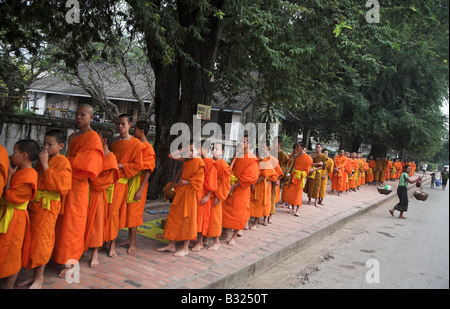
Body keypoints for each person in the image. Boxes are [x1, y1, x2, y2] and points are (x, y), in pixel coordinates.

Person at [52, 104, 104, 279]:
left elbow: (89, 164)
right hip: (66, 183)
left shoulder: (93, 138)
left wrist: (64, 161)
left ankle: (72, 262)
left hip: (79, 186)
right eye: (77, 114)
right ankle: (61, 256)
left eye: (83, 114)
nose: (78, 117)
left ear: (91, 117)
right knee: (62, 223)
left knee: (74, 225)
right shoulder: (73, 136)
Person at [17, 130, 72, 289]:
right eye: (44, 143)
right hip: (35, 205)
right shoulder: (43, 160)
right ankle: (33, 275)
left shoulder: (63, 162)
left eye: (50, 144)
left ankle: (39, 278)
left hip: (48, 208)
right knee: (32, 240)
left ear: (61, 146)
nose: (45, 147)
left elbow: (62, 187)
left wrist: (46, 165)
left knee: (43, 242)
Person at [0, 139, 39, 289]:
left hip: (16, 218)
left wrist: (8, 176)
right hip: (8, 215)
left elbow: (10, 197)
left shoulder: (30, 175)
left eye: (14, 152)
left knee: (12, 254)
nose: (11, 155)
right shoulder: (21, 171)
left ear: (24, 155)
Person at [156, 140, 205, 257]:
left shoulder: (199, 161)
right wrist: (184, 150)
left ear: (199, 150)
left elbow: (199, 182)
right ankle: (171, 244)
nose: (191, 153)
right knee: (174, 217)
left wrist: (187, 182)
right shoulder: (188, 159)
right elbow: (171, 155)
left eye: (193, 150)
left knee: (187, 220)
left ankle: (185, 247)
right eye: (189, 150)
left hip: (190, 194)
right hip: (181, 193)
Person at [107, 114, 144, 257]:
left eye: (123, 124)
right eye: (118, 123)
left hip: (120, 184)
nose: (120, 126)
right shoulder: (114, 141)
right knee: (105, 213)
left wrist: (121, 165)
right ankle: (105, 240)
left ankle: (112, 244)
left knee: (114, 215)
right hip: (107, 182)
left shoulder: (136, 144)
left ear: (130, 125)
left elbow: (138, 166)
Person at [117, 120, 155, 254]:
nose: (134, 132)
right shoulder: (134, 144)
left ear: (141, 131)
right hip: (128, 179)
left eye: (136, 129)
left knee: (134, 213)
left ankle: (132, 242)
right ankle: (128, 239)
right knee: (127, 211)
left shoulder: (148, 148)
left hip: (138, 182)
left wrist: (140, 189)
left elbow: (148, 170)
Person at [84, 129, 118, 267]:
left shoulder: (111, 159)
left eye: (97, 137)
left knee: (97, 225)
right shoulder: (93, 154)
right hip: (85, 192)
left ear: (104, 140)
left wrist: (89, 177)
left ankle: (95, 253)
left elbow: (103, 182)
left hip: (98, 194)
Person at [222, 135, 259, 246]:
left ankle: (234, 236)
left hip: (241, 189)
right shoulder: (238, 155)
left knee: (239, 213)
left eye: (244, 142)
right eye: (241, 141)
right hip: (231, 186)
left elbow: (251, 177)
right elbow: (231, 169)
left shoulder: (252, 159)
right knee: (226, 209)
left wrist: (235, 186)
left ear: (250, 145)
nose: (241, 144)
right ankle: (225, 231)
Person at [204, 142, 231, 251]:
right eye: (213, 149)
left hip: (216, 195)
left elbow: (225, 183)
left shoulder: (224, 165)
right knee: (207, 217)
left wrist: (218, 197)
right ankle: (205, 238)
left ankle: (216, 241)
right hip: (208, 194)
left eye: (217, 149)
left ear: (223, 151)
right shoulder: (210, 162)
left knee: (215, 218)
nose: (214, 151)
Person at [192, 141, 217, 252]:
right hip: (196, 192)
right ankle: (195, 239)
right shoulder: (198, 160)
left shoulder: (210, 162)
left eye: (200, 148)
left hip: (204, 193)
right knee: (196, 217)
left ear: (206, 150)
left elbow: (212, 181)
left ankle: (200, 242)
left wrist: (207, 195)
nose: (198, 150)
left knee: (202, 219)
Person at [249, 144, 276, 230]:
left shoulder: (265, 162)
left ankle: (256, 222)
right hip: (254, 185)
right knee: (252, 202)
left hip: (261, 186)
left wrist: (254, 182)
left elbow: (264, 176)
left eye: (256, 156)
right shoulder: (255, 163)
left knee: (260, 204)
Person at [286, 142, 313, 217]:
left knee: (298, 194)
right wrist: (288, 173)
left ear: (302, 147)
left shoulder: (308, 158)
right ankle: (292, 208)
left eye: (298, 147)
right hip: (293, 176)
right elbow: (292, 166)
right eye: (297, 146)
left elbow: (307, 170)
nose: (296, 148)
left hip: (300, 178)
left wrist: (301, 175)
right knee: (291, 192)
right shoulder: (296, 156)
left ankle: (297, 210)